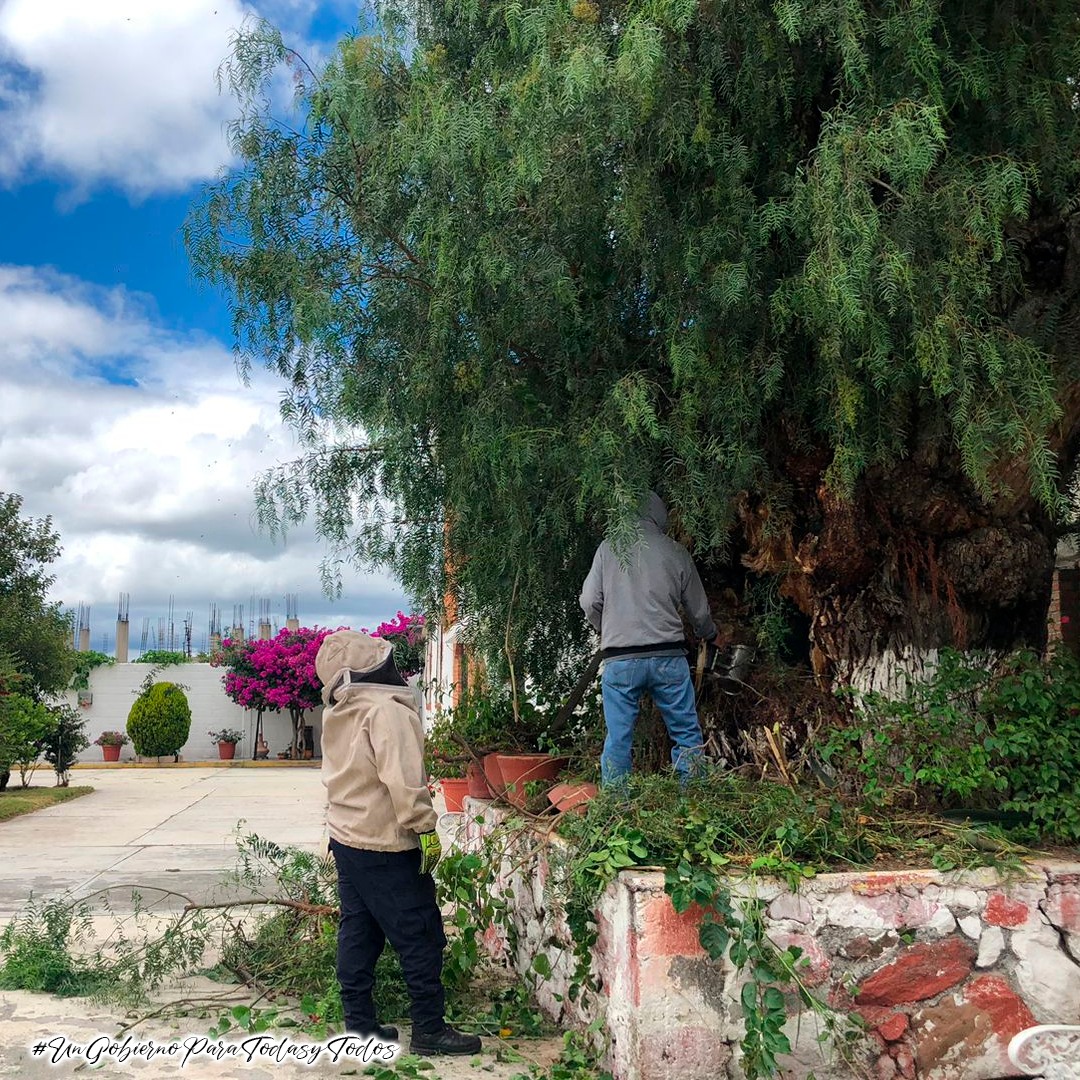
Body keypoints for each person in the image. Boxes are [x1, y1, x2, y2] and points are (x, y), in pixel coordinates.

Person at [315, 629, 481, 1057]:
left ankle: (359, 1028)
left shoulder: (339, 712)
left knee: (360, 930)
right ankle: (429, 1029)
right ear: (374, 668)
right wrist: (426, 831)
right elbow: (405, 784)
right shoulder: (387, 712)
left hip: (346, 839)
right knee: (421, 934)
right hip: (386, 843)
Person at [579, 491, 718, 785]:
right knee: (686, 732)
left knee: (618, 738)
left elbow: (590, 600)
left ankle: (616, 809)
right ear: (659, 515)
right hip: (669, 658)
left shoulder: (608, 549)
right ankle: (694, 803)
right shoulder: (675, 551)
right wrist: (709, 634)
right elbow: (700, 611)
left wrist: (605, 630)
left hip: (621, 659)